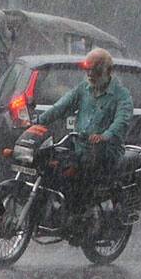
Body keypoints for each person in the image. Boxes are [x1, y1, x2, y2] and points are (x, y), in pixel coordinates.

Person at [36, 47, 132, 218]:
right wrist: (37, 122)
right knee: (50, 163)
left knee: (81, 176)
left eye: (95, 69)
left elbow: (122, 120)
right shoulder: (83, 89)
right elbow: (61, 107)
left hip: (104, 152)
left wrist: (105, 135)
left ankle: (81, 215)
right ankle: (55, 209)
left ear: (108, 71)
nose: (90, 74)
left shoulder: (121, 96)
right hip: (79, 146)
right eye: (87, 69)